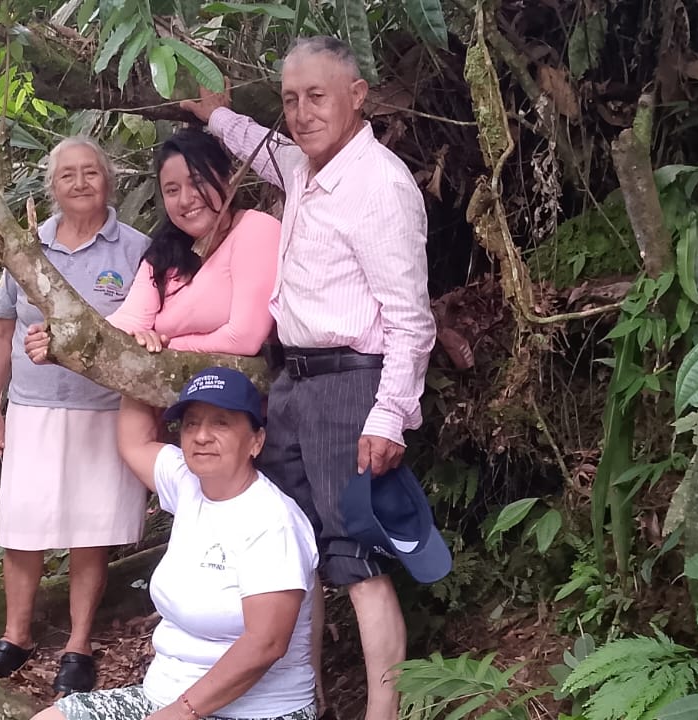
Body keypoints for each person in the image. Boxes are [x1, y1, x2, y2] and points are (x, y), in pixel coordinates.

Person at [182, 37, 437, 720]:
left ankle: (382, 714)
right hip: (293, 383)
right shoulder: (304, 166)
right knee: (297, 547)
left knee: (356, 557)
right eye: (291, 99)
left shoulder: (379, 186)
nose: (301, 113)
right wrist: (215, 116)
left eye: (317, 96)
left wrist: (389, 416)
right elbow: (266, 147)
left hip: (351, 387)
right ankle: (304, 702)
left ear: (357, 96)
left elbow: (412, 320)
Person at [31, 368, 317, 720]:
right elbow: (134, 442)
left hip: (255, 712)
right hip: (161, 699)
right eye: (191, 424)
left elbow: (266, 642)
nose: (202, 436)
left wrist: (183, 710)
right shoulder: (187, 483)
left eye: (221, 423)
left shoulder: (272, 522)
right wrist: (136, 353)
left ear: (256, 441)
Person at [0, 136, 152, 694]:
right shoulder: (28, 249)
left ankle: (78, 645)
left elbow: (151, 327)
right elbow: (1, 330)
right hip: (34, 407)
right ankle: (16, 637)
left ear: (108, 180)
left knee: (91, 530)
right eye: (67, 174)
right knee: (24, 526)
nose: (80, 182)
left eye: (90, 172)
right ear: (51, 186)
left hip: (106, 409)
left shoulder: (136, 249)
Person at [106, 128, 281, 356]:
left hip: (236, 377)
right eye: (172, 190)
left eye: (197, 182)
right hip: (169, 376)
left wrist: (167, 347)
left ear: (227, 181)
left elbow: (244, 338)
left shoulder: (256, 229)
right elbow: (128, 321)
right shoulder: (164, 253)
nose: (185, 200)